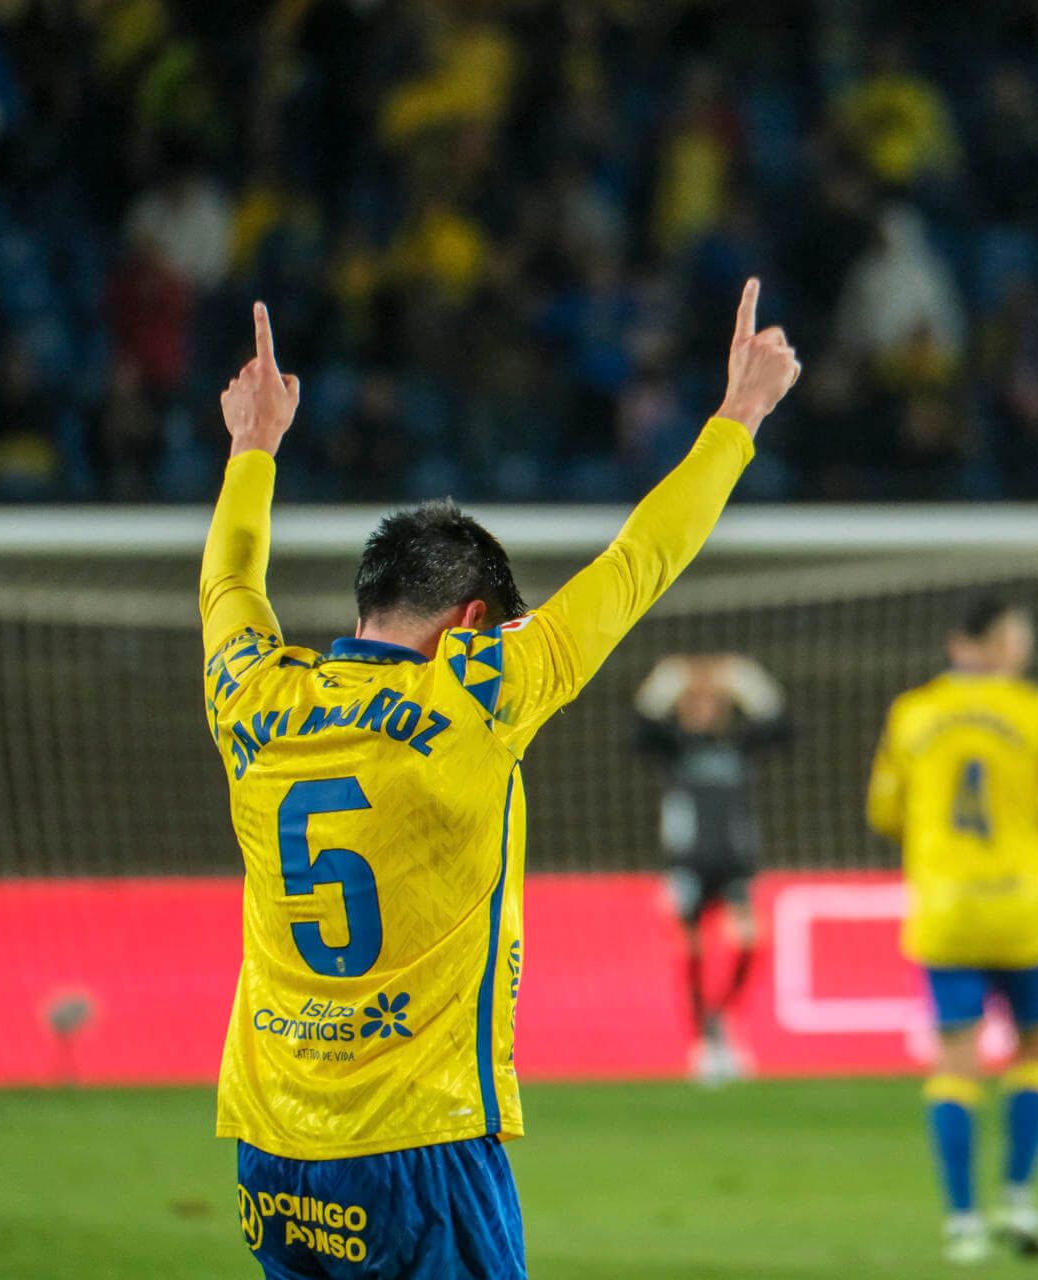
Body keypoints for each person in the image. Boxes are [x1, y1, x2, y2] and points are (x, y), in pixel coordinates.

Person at [201, 281, 801, 1278]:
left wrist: (252, 448)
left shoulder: (250, 692)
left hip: (270, 1146)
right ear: (473, 620)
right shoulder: (476, 692)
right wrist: (739, 418)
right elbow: (638, 562)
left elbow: (230, 582)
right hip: (417, 1144)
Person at [866, 597, 1038, 1265]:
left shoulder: (912, 714)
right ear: (999, 645)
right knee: (1032, 1051)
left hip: (947, 908)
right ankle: (1019, 1197)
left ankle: (962, 1223)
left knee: (956, 1064)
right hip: (1023, 910)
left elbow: (885, 810)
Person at [634, 653, 790, 1083]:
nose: (702, 709)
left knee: (749, 940)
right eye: (694, 703)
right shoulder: (675, 749)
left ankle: (722, 1023)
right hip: (688, 866)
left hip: (735, 865)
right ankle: (705, 1042)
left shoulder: (738, 747)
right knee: (693, 950)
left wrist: (745, 679)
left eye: (711, 703)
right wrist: (667, 680)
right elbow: (640, 730)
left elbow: (782, 727)